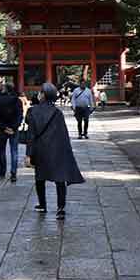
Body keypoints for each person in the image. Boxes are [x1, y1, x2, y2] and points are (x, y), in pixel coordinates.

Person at [25, 82, 85, 220]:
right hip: (56, 149)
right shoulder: (57, 113)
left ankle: (42, 204)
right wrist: (66, 152)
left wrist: (28, 154)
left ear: (43, 95)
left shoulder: (33, 111)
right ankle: (61, 208)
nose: (39, 94)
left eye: (40, 92)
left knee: (40, 178)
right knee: (60, 179)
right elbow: (63, 134)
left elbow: (31, 135)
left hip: (40, 150)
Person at [0, 83, 24, 182]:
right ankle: (13, 173)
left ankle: (2, 171)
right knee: (14, 151)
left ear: (6, 90)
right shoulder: (17, 100)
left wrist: (3, 127)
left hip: (2, 129)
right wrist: (14, 127)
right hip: (13, 129)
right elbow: (20, 116)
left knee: (2, 150)